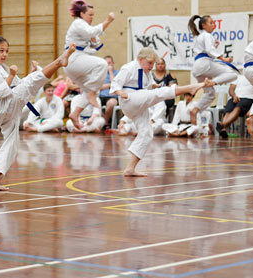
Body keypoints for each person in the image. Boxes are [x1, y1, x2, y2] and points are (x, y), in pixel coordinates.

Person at [0, 35, 75, 191]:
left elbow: (19, 83)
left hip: (7, 106)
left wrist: (29, 73)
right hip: (4, 104)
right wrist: (11, 75)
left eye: (7, 51)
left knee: (11, 144)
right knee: (31, 83)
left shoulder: (1, 67)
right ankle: (59, 62)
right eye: (1, 51)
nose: (4, 54)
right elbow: (1, 92)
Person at [111, 47, 214, 177]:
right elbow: (115, 83)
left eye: (153, 64)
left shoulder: (147, 72)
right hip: (129, 99)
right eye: (149, 63)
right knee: (159, 94)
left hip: (138, 104)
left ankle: (130, 168)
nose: (151, 66)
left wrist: (154, 85)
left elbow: (149, 84)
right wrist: (120, 92)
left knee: (147, 133)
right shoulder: (129, 67)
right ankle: (190, 88)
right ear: (140, 59)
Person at [63, 0, 115, 129]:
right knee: (102, 64)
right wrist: (107, 21)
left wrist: (95, 42)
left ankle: (75, 114)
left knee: (88, 91)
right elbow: (91, 32)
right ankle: (92, 92)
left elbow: (94, 44)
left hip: (77, 61)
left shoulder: (85, 28)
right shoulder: (78, 24)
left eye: (93, 15)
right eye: (90, 15)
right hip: (72, 59)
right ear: (82, 14)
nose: (92, 18)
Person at [187, 14, 239, 125]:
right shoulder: (207, 35)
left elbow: (207, 49)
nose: (213, 25)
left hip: (197, 68)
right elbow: (210, 50)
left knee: (210, 94)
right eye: (211, 23)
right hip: (205, 64)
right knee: (233, 73)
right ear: (203, 25)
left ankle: (195, 110)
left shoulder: (198, 36)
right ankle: (212, 82)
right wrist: (223, 58)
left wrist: (214, 46)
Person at [216, 74, 253, 139]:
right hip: (235, 97)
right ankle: (223, 129)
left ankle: (223, 125)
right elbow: (231, 89)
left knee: (238, 108)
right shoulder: (238, 77)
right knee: (228, 111)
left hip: (248, 98)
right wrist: (234, 96)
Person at [99, 55, 119, 128]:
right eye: (106, 63)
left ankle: (104, 122)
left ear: (113, 63)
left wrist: (110, 72)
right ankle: (101, 122)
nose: (108, 65)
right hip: (101, 96)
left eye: (109, 63)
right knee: (93, 102)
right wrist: (109, 85)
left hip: (112, 97)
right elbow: (98, 87)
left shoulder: (118, 73)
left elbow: (115, 85)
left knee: (112, 103)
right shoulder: (101, 74)